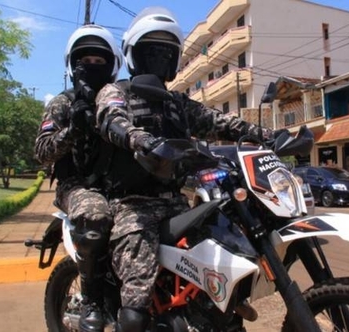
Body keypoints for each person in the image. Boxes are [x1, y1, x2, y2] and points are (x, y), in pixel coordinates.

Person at [87, 7, 277, 332]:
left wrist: (273, 136)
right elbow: (110, 119)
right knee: (135, 307)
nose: (160, 57)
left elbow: (222, 122)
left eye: (166, 51)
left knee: (229, 256)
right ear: (135, 55)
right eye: (152, 50)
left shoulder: (178, 103)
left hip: (177, 203)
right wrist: (139, 139)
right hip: (132, 207)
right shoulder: (116, 92)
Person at [34, 24, 123, 332]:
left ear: (112, 65)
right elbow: (42, 151)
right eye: (85, 60)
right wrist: (73, 130)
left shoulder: (118, 99)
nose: (92, 67)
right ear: (73, 65)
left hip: (118, 183)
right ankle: (92, 302)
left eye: (99, 62)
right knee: (96, 216)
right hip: (77, 185)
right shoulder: (62, 102)